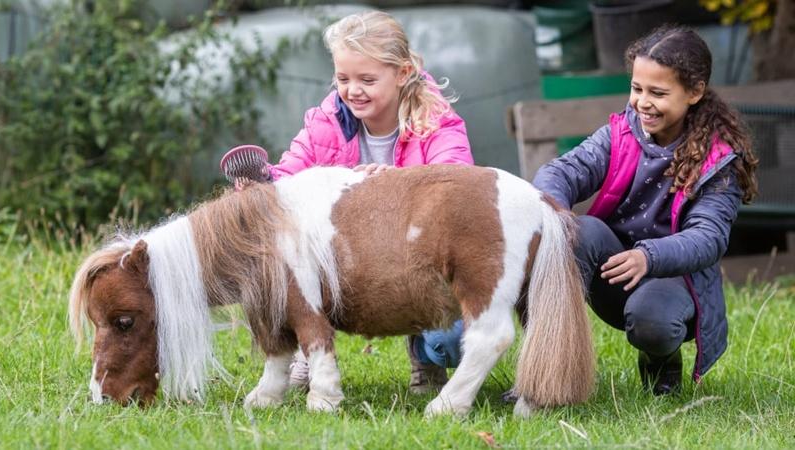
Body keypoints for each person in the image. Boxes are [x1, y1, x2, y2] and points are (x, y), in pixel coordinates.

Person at [228, 11, 474, 393]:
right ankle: (309, 346)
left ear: (403, 73)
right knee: (286, 246)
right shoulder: (326, 122)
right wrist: (263, 183)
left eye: (367, 80)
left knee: (452, 342)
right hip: (345, 259)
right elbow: (292, 171)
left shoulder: (435, 120)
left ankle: (424, 353)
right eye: (343, 79)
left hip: (416, 257)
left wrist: (398, 183)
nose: (353, 90)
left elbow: (457, 182)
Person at [530, 25, 759, 395]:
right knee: (573, 230)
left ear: (695, 92)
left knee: (653, 321)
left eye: (658, 93)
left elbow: (708, 238)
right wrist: (552, 209)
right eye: (637, 89)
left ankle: (659, 358)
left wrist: (648, 257)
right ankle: (544, 367)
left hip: (676, 281)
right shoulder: (621, 133)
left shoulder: (719, 162)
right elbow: (562, 172)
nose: (642, 102)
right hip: (615, 271)